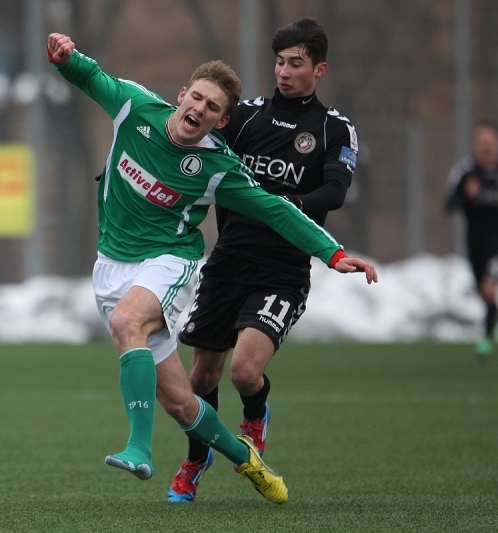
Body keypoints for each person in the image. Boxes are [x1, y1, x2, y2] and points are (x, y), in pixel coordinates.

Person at [47, 32, 377, 504]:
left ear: (220, 122)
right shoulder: (135, 108)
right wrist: (65, 58)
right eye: (196, 97)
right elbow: (92, 77)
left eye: (211, 107)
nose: (198, 109)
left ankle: (139, 448)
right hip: (111, 267)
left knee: (127, 322)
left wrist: (333, 253)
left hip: (168, 262)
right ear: (182, 96)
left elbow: (275, 210)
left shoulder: (218, 168)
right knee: (183, 401)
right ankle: (248, 463)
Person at [168, 17, 361, 503]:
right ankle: (197, 457)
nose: (284, 71)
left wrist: (279, 209)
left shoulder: (334, 128)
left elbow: (335, 192)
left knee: (243, 372)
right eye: (279, 62)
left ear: (319, 70)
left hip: (284, 268)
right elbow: (204, 159)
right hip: (229, 258)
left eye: (295, 64)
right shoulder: (247, 116)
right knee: (200, 377)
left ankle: (254, 416)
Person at [445, 119, 498, 360]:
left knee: (491, 287)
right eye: (481, 142)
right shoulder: (465, 172)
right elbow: (449, 205)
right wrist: (468, 196)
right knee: (487, 293)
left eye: (489, 141)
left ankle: (486, 340)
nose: (485, 146)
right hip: (476, 244)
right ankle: (487, 337)